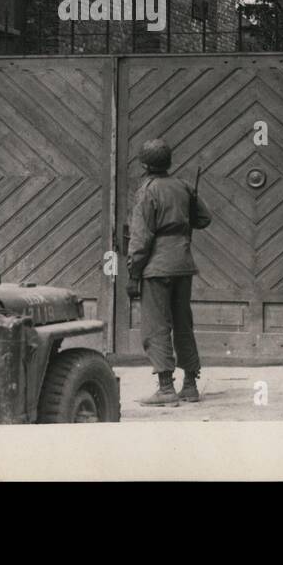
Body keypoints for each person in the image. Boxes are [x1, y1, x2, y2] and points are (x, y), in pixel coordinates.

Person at [125, 138, 212, 406]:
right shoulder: (184, 186)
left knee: (156, 326)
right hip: (183, 264)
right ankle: (190, 385)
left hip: (156, 267)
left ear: (144, 164)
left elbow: (140, 239)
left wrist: (133, 273)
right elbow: (204, 219)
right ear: (168, 161)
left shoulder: (147, 191)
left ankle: (165, 389)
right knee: (183, 324)